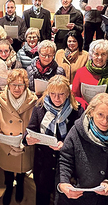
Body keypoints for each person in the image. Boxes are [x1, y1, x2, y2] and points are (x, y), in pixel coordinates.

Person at [57, 93, 108, 205]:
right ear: (91, 112)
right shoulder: (77, 130)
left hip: (105, 201)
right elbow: (65, 159)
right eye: (100, 114)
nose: (104, 121)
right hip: (76, 197)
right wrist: (63, 182)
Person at [24, 75, 84, 205]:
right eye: (53, 94)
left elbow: (81, 141)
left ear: (68, 93)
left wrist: (66, 144)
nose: (56, 98)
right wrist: (27, 138)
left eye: (61, 94)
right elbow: (30, 129)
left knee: (61, 198)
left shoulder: (77, 111)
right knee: (42, 196)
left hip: (66, 164)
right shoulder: (40, 106)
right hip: (43, 162)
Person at [0, 69, 38, 205]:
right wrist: (7, 147)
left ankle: (21, 185)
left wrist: (27, 142)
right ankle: (9, 187)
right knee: (8, 172)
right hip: (5, 146)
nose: (17, 88)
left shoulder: (33, 101)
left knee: (22, 171)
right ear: (8, 85)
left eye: (20, 85)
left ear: (26, 85)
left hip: (25, 147)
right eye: (13, 84)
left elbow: (36, 126)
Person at [72, 39, 108, 108]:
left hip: (107, 110)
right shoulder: (81, 72)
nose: (99, 57)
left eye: (103, 54)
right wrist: (86, 106)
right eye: (96, 54)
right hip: (85, 109)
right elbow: (74, 95)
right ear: (92, 54)